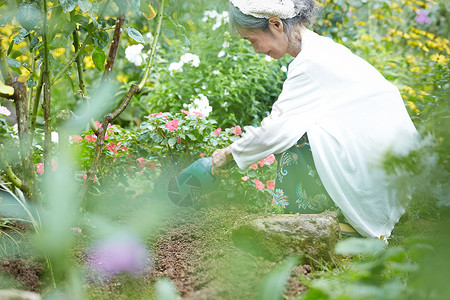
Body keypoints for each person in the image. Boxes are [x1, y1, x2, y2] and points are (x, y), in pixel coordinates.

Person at [211, 0, 418, 240]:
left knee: (295, 138)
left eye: (252, 40)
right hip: (393, 165)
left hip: (380, 168)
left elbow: (276, 129)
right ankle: (339, 216)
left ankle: (325, 223)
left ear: (276, 24)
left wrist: (227, 154)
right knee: (300, 129)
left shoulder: (310, 63)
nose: (256, 49)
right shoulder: (320, 49)